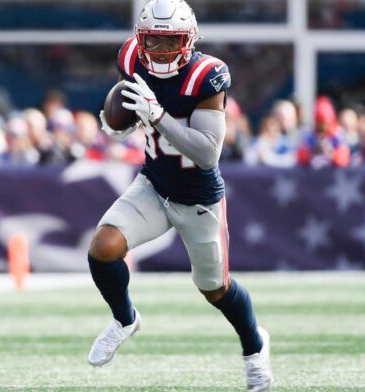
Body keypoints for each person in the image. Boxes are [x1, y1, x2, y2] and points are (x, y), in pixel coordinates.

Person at [87, 1, 272, 390]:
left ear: (189, 40)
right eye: (151, 40)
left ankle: (255, 348)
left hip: (198, 197)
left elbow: (207, 153)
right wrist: (116, 118)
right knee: (103, 247)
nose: (159, 49)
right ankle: (125, 319)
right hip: (154, 184)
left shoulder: (207, 75)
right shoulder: (131, 57)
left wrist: (158, 117)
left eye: (169, 40)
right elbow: (124, 100)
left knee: (215, 289)